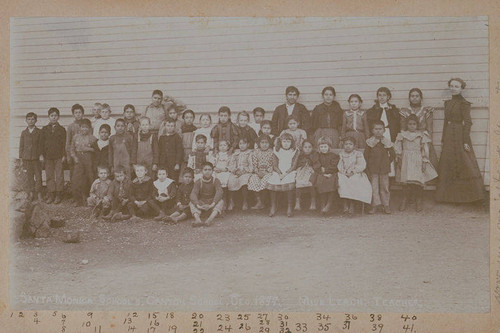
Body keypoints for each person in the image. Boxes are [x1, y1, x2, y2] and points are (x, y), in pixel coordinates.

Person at [435, 78, 485, 203]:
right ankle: (447, 197)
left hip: (459, 135)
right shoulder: (447, 103)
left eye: (456, 86)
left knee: (463, 162)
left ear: (461, 88)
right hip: (448, 137)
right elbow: (445, 122)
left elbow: (468, 123)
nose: (453, 88)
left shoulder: (464, 104)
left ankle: (471, 197)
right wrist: (442, 139)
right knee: (448, 163)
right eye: (451, 86)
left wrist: (465, 141)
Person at [395, 114, 438, 211]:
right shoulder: (402, 135)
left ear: (417, 125)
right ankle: (404, 200)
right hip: (406, 159)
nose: (412, 126)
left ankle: (418, 200)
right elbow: (398, 148)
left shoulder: (421, 135)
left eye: (414, 124)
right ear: (406, 125)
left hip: (417, 159)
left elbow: (424, 150)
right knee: (406, 182)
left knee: (417, 181)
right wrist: (400, 159)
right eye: (409, 124)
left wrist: (424, 161)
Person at [399, 88, 438, 169]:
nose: (414, 98)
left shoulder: (426, 110)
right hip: (409, 138)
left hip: (422, 137)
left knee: (425, 156)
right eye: (412, 96)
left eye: (417, 96)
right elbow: (403, 127)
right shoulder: (404, 111)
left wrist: (429, 141)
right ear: (409, 98)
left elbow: (429, 127)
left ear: (421, 98)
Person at [364, 120, 396, 214]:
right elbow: (366, 155)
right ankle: (375, 205)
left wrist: (387, 162)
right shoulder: (370, 142)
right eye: (376, 129)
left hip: (384, 169)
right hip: (373, 168)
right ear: (372, 130)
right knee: (374, 187)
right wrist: (368, 167)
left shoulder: (387, 142)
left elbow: (393, 154)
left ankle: (386, 205)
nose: (378, 131)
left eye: (380, 129)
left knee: (384, 187)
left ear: (384, 130)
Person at [337, 136, 372, 214]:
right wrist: (344, 172)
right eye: (346, 144)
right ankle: (345, 204)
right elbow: (340, 165)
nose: (348, 146)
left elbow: (361, 165)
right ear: (343, 145)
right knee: (342, 181)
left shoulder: (358, 154)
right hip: (344, 173)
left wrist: (353, 172)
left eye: (350, 144)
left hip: (356, 173)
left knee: (355, 180)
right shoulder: (341, 154)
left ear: (354, 146)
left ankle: (352, 204)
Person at [267, 133, 299, 217]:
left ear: (291, 142)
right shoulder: (276, 150)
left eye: (288, 141)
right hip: (278, 171)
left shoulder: (294, 151)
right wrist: (279, 173)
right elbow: (275, 164)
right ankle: (273, 205)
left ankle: (289, 206)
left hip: (289, 171)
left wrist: (285, 174)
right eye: (284, 141)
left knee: (289, 180)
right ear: (280, 142)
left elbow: (294, 165)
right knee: (273, 179)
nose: (286, 143)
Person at [40, 107, 66, 204]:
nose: (54, 117)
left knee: (59, 175)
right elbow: (41, 143)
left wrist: (64, 155)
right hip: (48, 157)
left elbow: (64, 144)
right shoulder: (44, 129)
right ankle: (51, 194)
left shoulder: (62, 129)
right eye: (52, 116)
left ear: (58, 117)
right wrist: (42, 155)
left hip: (59, 156)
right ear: (49, 117)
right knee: (49, 175)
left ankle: (59, 195)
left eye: (55, 116)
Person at [70, 118, 97, 206]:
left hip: (89, 160)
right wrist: (75, 158)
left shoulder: (92, 138)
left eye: (86, 127)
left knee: (90, 178)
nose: (84, 129)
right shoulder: (75, 137)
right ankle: (78, 199)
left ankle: (90, 199)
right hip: (79, 159)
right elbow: (72, 149)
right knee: (77, 180)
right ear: (79, 127)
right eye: (82, 127)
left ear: (89, 128)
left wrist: (87, 148)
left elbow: (96, 150)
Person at [190, 162, 224, 227]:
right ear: (201, 171)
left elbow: (219, 192)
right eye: (205, 170)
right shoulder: (198, 181)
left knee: (221, 201)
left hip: (212, 202)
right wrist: (198, 205)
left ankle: (209, 220)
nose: (207, 172)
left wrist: (212, 204)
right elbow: (193, 194)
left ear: (212, 171)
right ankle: (198, 220)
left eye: (209, 170)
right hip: (202, 203)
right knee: (191, 202)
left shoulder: (216, 180)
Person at [311, 136, 339, 215]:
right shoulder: (317, 155)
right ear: (319, 147)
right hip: (320, 173)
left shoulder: (334, 156)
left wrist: (327, 171)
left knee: (332, 181)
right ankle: (322, 204)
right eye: (321, 147)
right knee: (320, 181)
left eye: (325, 146)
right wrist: (322, 171)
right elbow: (316, 164)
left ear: (329, 147)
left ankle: (329, 204)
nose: (323, 148)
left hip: (331, 173)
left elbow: (334, 165)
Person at [19, 112, 43, 201]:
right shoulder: (24, 132)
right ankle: (31, 193)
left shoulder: (39, 132)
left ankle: (39, 193)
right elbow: (21, 145)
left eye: (32, 119)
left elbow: (41, 145)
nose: (31, 121)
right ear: (26, 120)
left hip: (36, 158)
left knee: (38, 176)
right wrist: (21, 157)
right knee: (29, 176)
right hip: (26, 158)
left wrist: (41, 155)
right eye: (29, 119)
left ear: (36, 120)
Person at [248, 134, 274, 210]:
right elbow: (254, 164)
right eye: (262, 142)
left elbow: (273, 164)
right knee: (253, 179)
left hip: (268, 172)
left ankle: (263, 201)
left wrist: (267, 171)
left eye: (266, 143)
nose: (264, 144)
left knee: (265, 180)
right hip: (258, 171)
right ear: (259, 143)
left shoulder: (272, 152)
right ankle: (259, 201)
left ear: (269, 143)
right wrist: (257, 171)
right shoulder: (255, 152)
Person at [227, 137, 253, 211]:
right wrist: (234, 170)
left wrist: (244, 171)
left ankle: (245, 201)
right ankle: (231, 201)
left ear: (248, 144)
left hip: (245, 171)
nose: (242, 145)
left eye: (244, 144)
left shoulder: (250, 153)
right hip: (236, 171)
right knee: (231, 180)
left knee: (244, 181)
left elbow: (251, 165)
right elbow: (231, 164)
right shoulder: (236, 153)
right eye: (240, 144)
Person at [294, 140, 319, 211]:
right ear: (302, 148)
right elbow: (297, 164)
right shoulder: (300, 155)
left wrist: (313, 167)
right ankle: (297, 201)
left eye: (309, 147)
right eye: (305, 147)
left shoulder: (315, 155)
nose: (307, 149)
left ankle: (313, 202)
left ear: (312, 148)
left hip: (312, 171)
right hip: (302, 171)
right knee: (298, 182)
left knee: (311, 182)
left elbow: (317, 164)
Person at [158, 118, 184, 182]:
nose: (169, 128)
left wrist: (177, 163)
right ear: (165, 126)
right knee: (164, 178)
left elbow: (179, 151)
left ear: (174, 127)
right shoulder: (162, 137)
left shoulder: (177, 137)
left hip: (173, 163)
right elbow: (159, 150)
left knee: (173, 178)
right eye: (168, 126)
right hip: (163, 162)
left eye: (171, 126)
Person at [65, 103, 85, 179]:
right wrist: (68, 156)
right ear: (73, 114)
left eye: (80, 112)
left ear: (83, 113)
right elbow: (68, 142)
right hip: (74, 153)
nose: (78, 114)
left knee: (83, 172)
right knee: (74, 172)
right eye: (76, 113)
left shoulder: (87, 125)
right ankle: (74, 189)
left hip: (84, 153)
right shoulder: (71, 127)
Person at [211, 140, 232, 206]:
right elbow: (212, 163)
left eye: (224, 145)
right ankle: (216, 199)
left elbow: (231, 164)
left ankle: (224, 199)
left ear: (228, 147)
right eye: (221, 145)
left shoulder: (229, 155)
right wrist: (214, 168)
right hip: (217, 171)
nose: (222, 147)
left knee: (225, 178)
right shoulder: (216, 155)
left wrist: (225, 169)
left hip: (225, 171)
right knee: (214, 178)